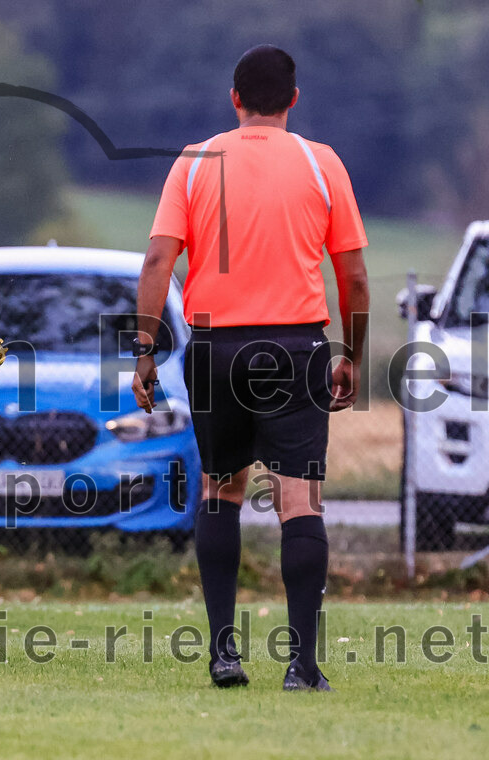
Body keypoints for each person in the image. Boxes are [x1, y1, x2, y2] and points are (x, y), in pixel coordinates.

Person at [132, 45, 369, 692]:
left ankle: (223, 655)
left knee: (221, 491)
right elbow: (353, 276)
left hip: (214, 349)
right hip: (296, 347)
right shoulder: (322, 163)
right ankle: (302, 666)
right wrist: (352, 355)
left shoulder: (195, 161)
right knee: (299, 499)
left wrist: (144, 351)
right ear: (294, 99)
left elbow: (156, 263)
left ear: (234, 99)